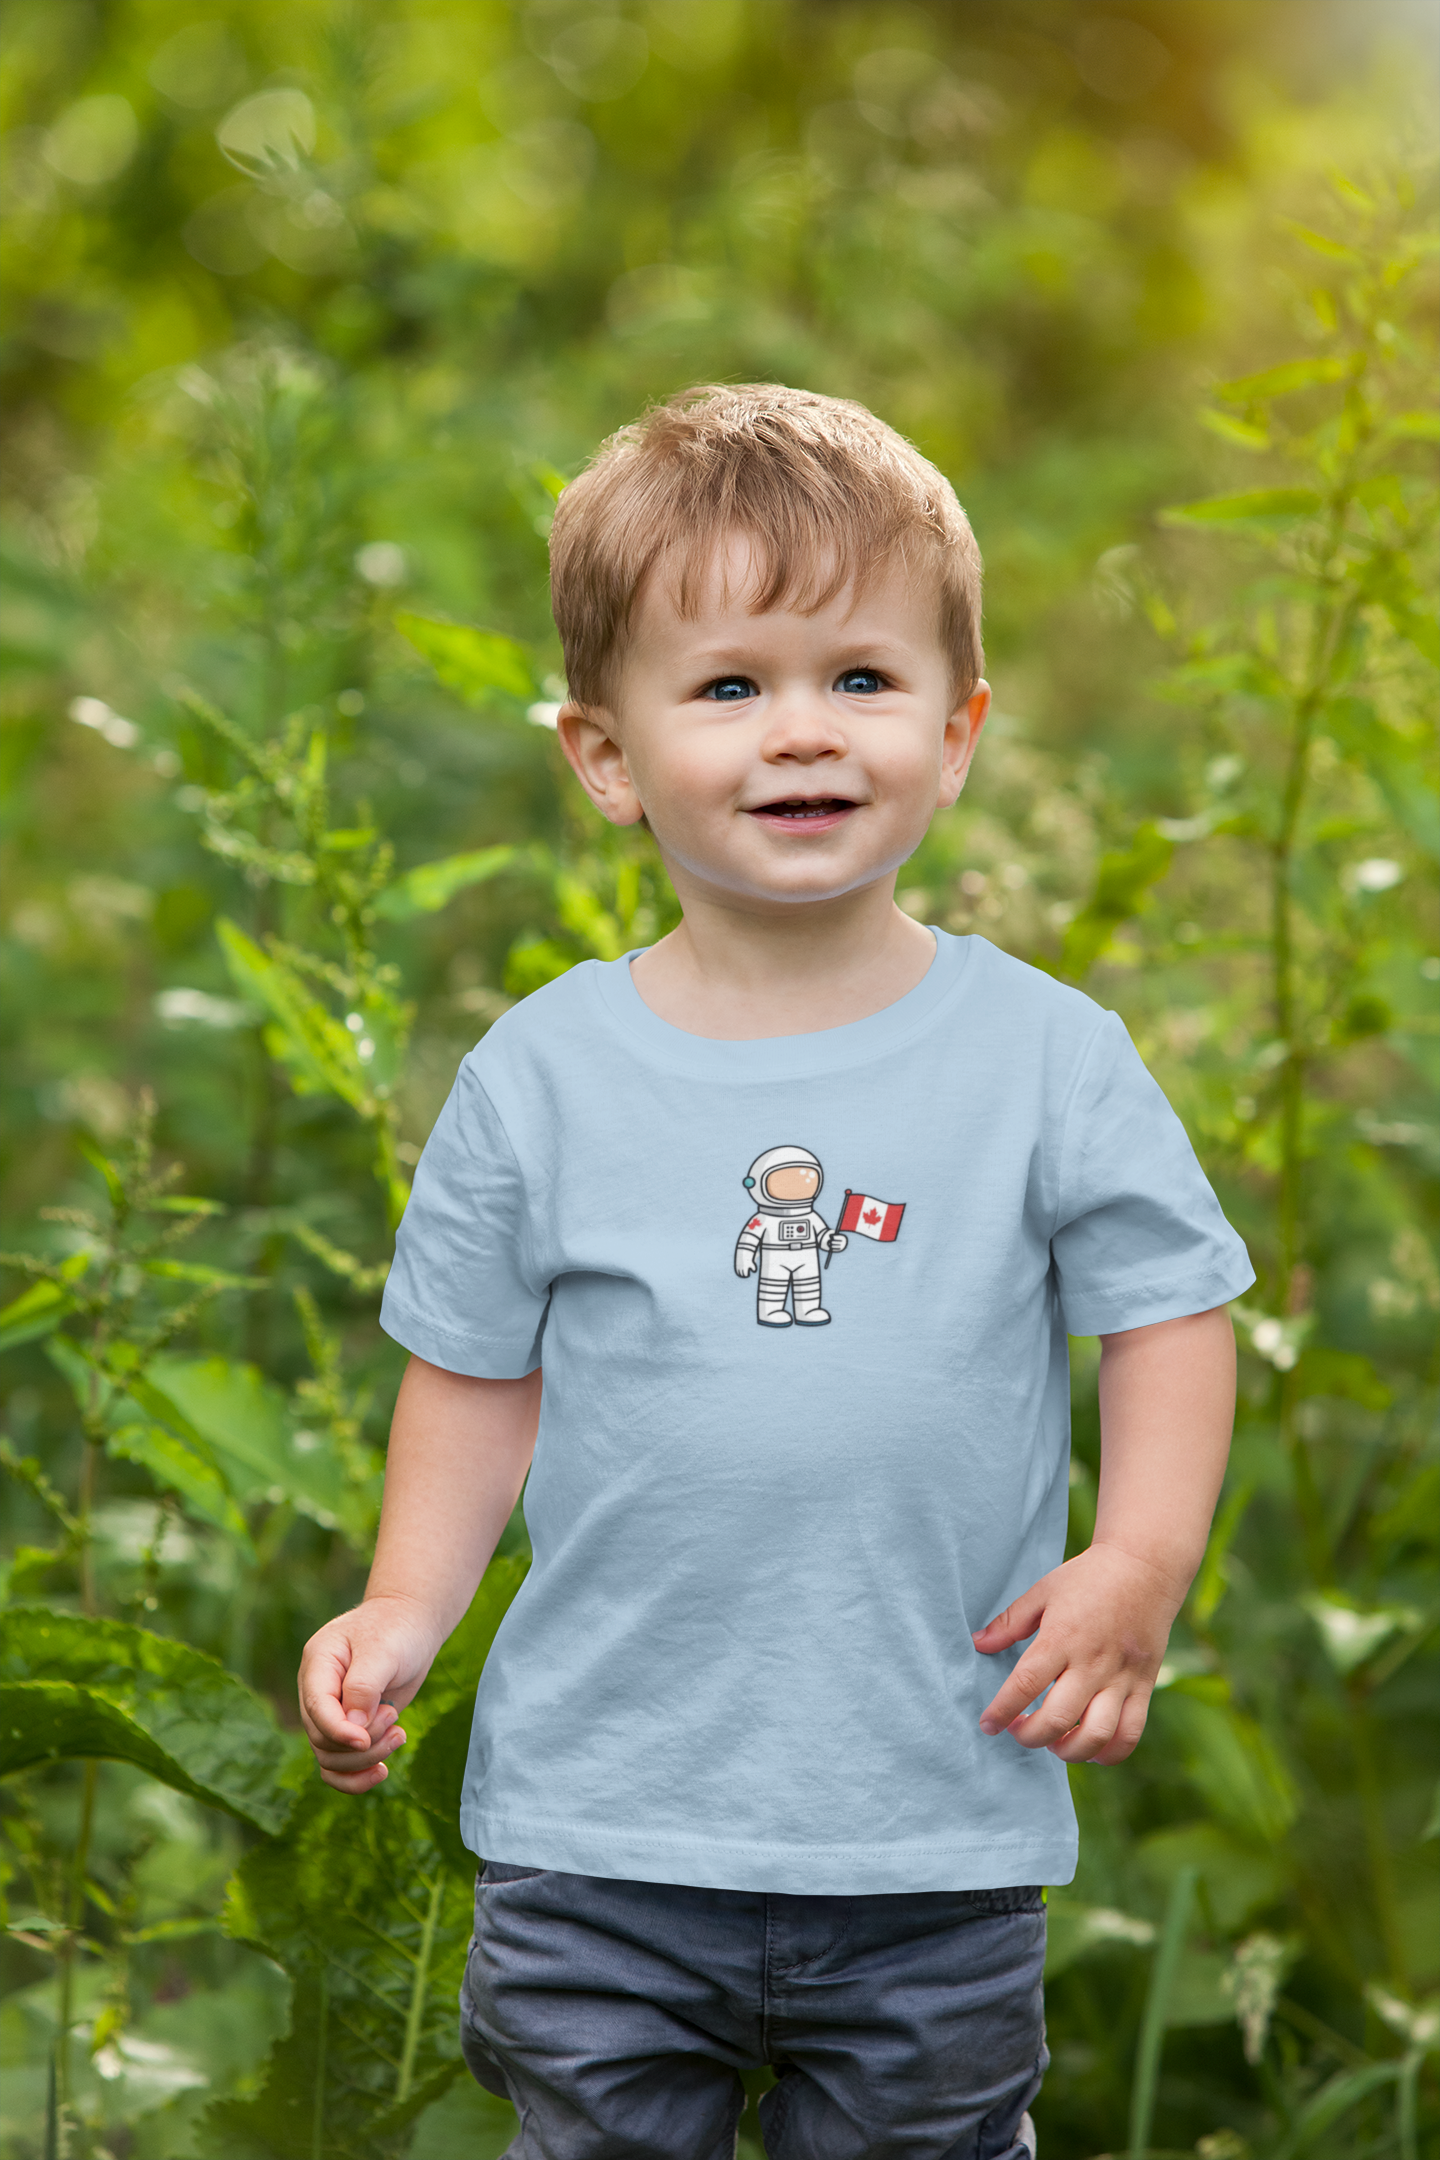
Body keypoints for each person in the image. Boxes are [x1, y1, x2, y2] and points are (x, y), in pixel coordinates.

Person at [298, 384, 1253, 2160]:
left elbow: (1166, 1314)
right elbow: (477, 1367)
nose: (800, 732)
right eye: (730, 685)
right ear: (605, 756)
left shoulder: (1044, 1058)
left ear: (957, 731)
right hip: (602, 1827)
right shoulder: (546, 1073)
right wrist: (408, 1605)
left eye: (861, 680)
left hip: (928, 1827)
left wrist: (1141, 1558)